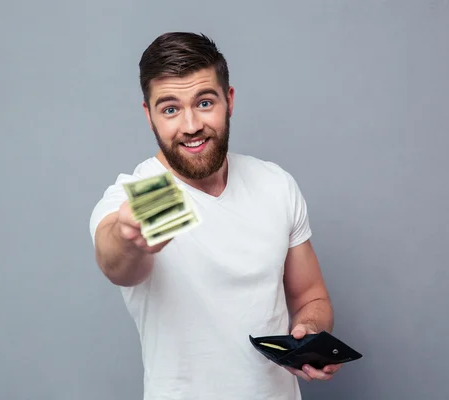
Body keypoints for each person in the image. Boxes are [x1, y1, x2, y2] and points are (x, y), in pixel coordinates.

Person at [89, 32, 341, 400]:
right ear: (149, 116)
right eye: (170, 109)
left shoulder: (274, 184)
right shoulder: (140, 194)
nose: (191, 125)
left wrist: (308, 332)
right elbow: (117, 262)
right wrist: (130, 237)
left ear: (229, 100)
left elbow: (310, 295)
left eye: (204, 102)